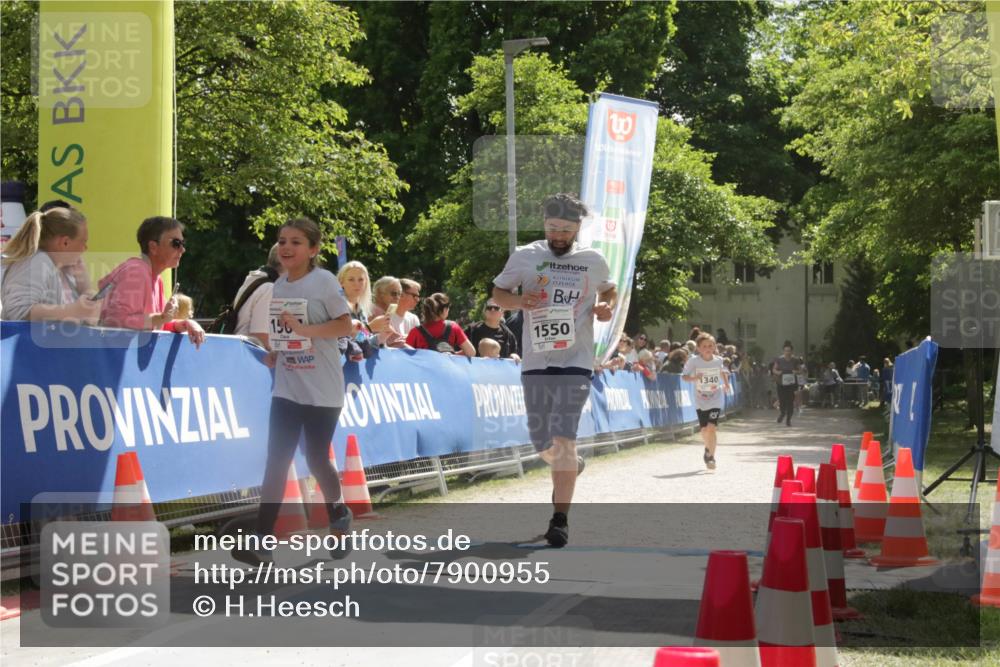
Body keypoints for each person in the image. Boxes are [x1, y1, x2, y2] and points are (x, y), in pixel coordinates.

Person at [492, 192, 617, 548]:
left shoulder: (592, 260)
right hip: (536, 360)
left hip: (576, 360)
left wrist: (605, 307)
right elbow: (498, 293)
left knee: (564, 435)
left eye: (565, 230)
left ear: (577, 228)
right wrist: (519, 301)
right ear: (544, 224)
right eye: (552, 228)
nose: (558, 236)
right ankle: (570, 464)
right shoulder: (526, 255)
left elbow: (609, 291)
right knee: (541, 440)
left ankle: (559, 519)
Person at [232, 217, 355, 566]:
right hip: (287, 386)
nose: (286, 247)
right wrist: (278, 350)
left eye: (296, 242)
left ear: (313, 249)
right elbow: (284, 333)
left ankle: (338, 511)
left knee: (316, 459)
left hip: (323, 388)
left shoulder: (324, 281)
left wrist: (305, 330)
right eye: (282, 240)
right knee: (277, 460)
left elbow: (346, 325)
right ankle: (262, 541)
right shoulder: (279, 286)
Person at [98, 216, 204, 347]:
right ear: (153, 247)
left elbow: (155, 324)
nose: (182, 249)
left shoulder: (156, 278)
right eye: (176, 243)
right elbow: (116, 322)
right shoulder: (136, 271)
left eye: (183, 243)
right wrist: (161, 317)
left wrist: (183, 324)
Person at [1, 206, 102, 322]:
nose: (85, 248)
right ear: (65, 242)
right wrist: (72, 311)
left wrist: (85, 289)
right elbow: (18, 311)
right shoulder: (37, 261)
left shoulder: (62, 268)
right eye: (83, 241)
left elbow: (89, 320)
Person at [682, 332, 730, 470]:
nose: (707, 348)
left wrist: (726, 384)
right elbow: (684, 377)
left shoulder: (719, 360)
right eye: (704, 346)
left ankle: (711, 457)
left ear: (714, 347)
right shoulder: (694, 361)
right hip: (700, 399)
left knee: (711, 427)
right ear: (698, 348)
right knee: (704, 430)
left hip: (716, 397)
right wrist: (695, 378)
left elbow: (722, 372)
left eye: (710, 346)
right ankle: (707, 448)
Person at [232, 243, 283, 349]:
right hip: (249, 355)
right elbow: (261, 339)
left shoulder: (258, 278)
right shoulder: (269, 288)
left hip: (241, 350)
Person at [337, 261, 389, 360]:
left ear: (366, 283)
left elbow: (360, 339)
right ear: (341, 283)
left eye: (361, 279)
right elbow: (341, 339)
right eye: (351, 279)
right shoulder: (336, 305)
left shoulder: (360, 309)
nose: (357, 284)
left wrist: (381, 337)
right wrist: (370, 327)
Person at [406, 292, 475, 356]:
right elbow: (471, 352)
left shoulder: (415, 331)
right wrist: (452, 355)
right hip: (446, 365)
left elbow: (405, 355)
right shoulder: (453, 327)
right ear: (445, 310)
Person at [370, 275, 407, 348]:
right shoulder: (372, 312)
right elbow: (358, 339)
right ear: (380, 293)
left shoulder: (385, 312)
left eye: (399, 294)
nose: (397, 297)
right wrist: (368, 328)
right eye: (394, 293)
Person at [771, 341, 798, 426]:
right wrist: (778, 372)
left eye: (789, 351)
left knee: (790, 402)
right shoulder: (779, 360)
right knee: (782, 401)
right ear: (783, 351)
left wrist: (796, 371)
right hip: (781, 384)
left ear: (791, 351)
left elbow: (800, 370)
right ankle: (782, 413)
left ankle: (788, 420)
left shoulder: (795, 360)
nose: (787, 352)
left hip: (791, 384)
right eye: (786, 351)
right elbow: (774, 369)